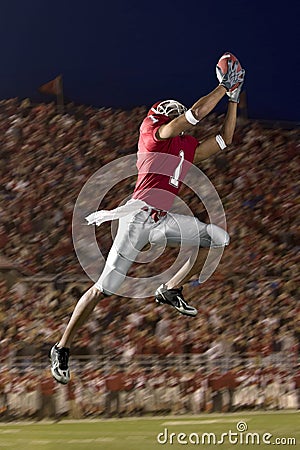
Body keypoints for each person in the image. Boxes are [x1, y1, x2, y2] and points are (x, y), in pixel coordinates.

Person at [50, 53, 245, 384]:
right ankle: (61, 347)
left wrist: (234, 99)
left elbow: (225, 139)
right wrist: (222, 87)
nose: (175, 118)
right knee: (103, 290)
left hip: (161, 219)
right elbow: (196, 115)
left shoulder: (182, 146)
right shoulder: (156, 135)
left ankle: (169, 289)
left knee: (215, 238)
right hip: (136, 218)